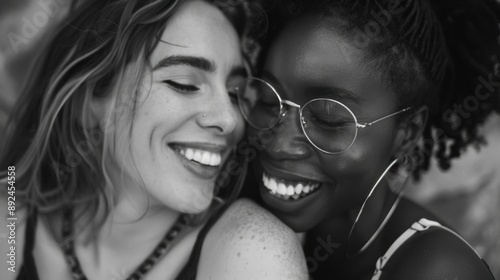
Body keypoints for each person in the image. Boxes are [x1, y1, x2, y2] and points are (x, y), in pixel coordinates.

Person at [0, 0, 308, 279]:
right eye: (184, 83)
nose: (229, 119)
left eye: (233, 92)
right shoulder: (8, 221)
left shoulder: (254, 253)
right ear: (89, 101)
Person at [236, 0, 500, 279]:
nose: (277, 144)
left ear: (406, 133)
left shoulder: (438, 270)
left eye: (329, 119)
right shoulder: (241, 200)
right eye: (268, 101)